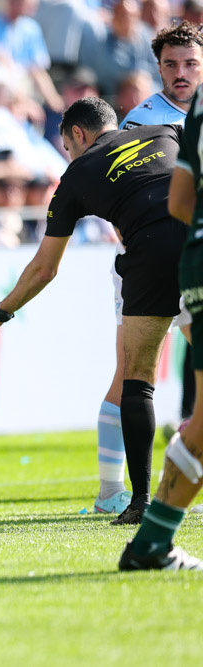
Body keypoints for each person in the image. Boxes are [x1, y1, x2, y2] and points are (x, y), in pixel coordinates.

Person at [0, 97, 187, 526]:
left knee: (137, 376)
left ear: (77, 135)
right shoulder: (166, 132)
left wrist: (2, 312)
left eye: (67, 146)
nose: (69, 154)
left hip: (151, 253)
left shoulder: (76, 175)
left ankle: (139, 503)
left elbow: (45, 268)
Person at [87, 21, 203, 516]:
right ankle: (111, 491)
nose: (181, 73)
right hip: (149, 258)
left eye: (191, 63)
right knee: (134, 372)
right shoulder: (141, 120)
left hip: (195, 254)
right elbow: (122, 197)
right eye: (171, 64)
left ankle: (184, 479)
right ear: (158, 67)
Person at [118, 85, 203, 571]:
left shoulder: (195, 110)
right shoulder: (152, 117)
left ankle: (150, 540)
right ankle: (142, 526)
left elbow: (180, 200)